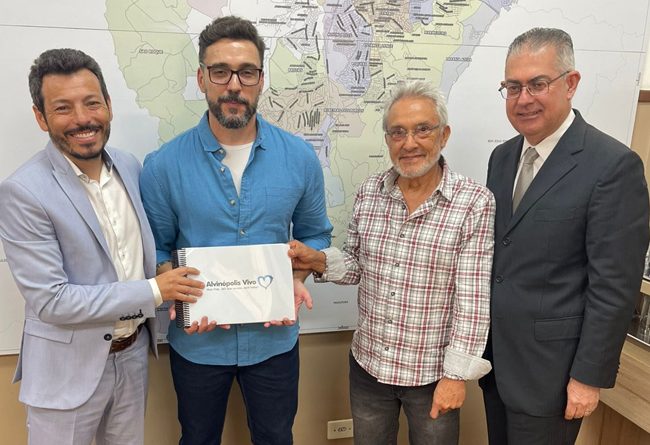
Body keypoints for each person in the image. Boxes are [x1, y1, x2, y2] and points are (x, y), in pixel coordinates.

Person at [139, 16, 332, 445]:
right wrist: (183, 298)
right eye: (220, 71)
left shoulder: (300, 158)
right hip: (198, 343)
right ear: (201, 78)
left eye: (246, 72)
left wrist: (297, 276)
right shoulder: (163, 166)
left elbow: (317, 235)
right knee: (198, 439)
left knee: (276, 438)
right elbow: (158, 251)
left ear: (261, 79)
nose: (233, 85)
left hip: (275, 341)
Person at [0, 48, 205, 445]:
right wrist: (155, 290)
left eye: (92, 103)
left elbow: (139, 258)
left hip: (132, 356)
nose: (82, 119)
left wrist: (174, 282)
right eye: (63, 108)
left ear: (108, 105)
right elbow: (52, 301)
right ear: (41, 117)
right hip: (65, 371)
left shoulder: (130, 166)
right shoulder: (23, 192)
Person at [288, 80, 495, 445]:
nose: (409, 143)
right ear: (387, 140)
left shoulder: (474, 203)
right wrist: (318, 260)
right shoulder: (370, 192)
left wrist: (456, 376)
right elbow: (356, 264)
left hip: (432, 375)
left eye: (422, 129)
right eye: (397, 132)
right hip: (369, 367)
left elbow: (473, 301)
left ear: (444, 135)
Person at [480, 27, 650, 444]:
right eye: (513, 87)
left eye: (538, 84)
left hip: (554, 376)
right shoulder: (502, 157)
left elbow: (614, 287)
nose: (523, 98)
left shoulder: (613, 166)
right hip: (498, 363)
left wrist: (588, 377)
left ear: (571, 83)